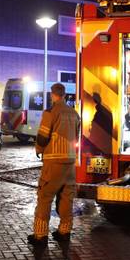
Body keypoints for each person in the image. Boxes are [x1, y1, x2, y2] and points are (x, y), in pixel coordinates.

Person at [28, 83, 80, 246]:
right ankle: (64, 232)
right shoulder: (74, 113)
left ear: (52, 95)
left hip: (54, 162)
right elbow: (77, 137)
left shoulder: (50, 112)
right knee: (66, 197)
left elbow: (43, 137)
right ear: (64, 95)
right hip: (70, 162)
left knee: (45, 196)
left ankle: (40, 235)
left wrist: (39, 149)